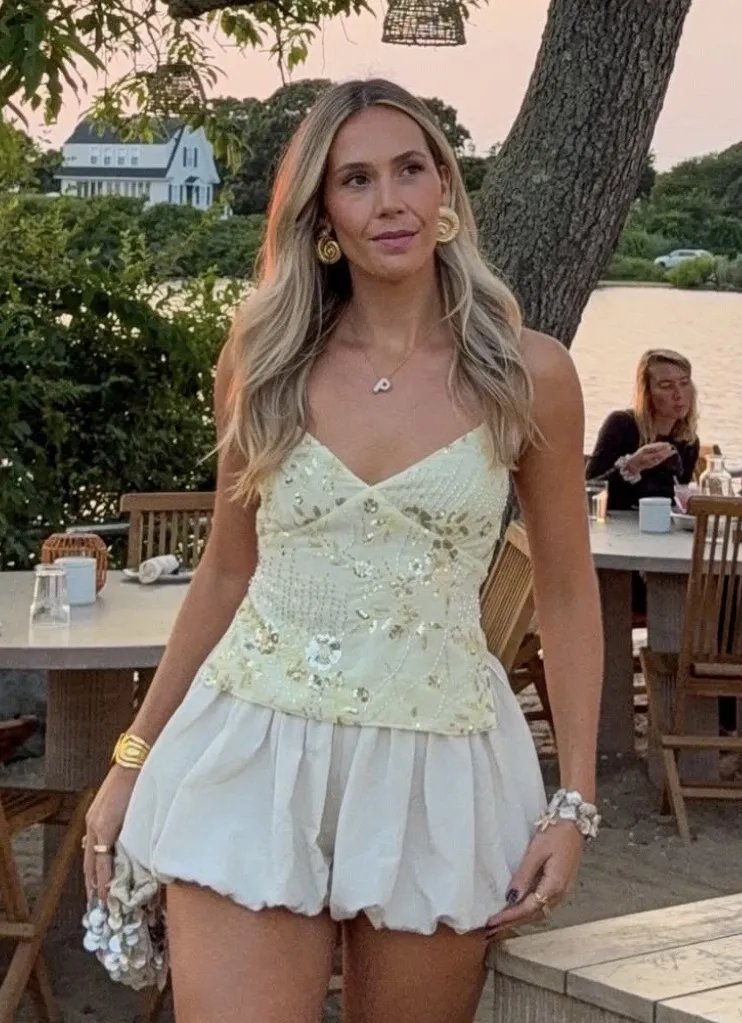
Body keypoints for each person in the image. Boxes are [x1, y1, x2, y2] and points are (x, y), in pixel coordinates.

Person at [83, 79, 603, 1023]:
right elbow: (226, 572)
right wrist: (130, 759)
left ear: (445, 189)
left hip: (436, 768)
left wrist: (574, 801)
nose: (389, 200)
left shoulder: (528, 372)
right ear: (323, 215)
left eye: (410, 170)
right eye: (356, 179)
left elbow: (567, 596)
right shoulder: (263, 358)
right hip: (255, 751)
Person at [585, 348, 699, 510]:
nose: (678, 394)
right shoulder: (621, 425)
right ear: (647, 392)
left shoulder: (688, 441)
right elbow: (588, 495)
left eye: (684, 383)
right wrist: (631, 467)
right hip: (615, 524)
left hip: (659, 524)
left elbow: (676, 504)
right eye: (666, 386)